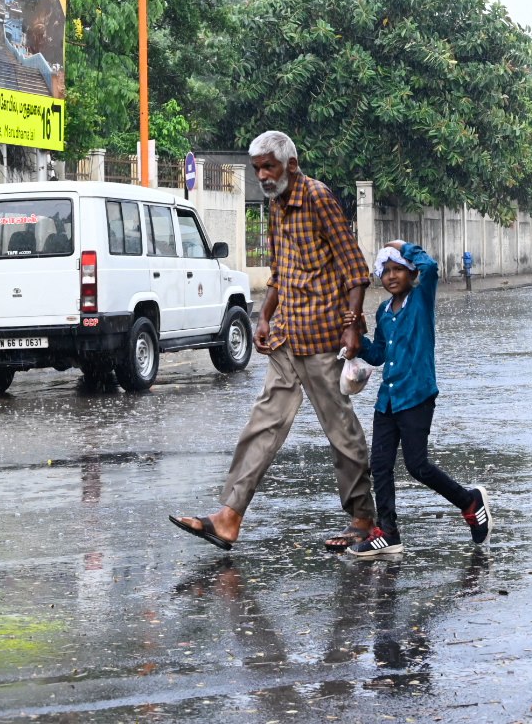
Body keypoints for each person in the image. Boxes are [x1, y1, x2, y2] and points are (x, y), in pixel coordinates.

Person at [170, 130, 377, 552]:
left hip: (322, 337)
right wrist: (263, 316)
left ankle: (363, 519)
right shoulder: (274, 205)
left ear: (291, 165)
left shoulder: (317, 198)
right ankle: (228, 518)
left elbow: (355, 269)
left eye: (269, 167)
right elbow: (281, 271)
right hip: (287, 336)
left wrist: (352, 325)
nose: (263, 176)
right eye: (258, 169)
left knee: (340, 430)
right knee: (261, 427)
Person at [344, 240, 494, 559]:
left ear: (411, 273)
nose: (392, 276)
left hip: (417, 396)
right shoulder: (384, 311)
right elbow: (381, 354)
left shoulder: (421, 300)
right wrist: (359, 343)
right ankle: (388, 533)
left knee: (417, 465)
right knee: (380, 466)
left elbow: (432, 267)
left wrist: (406, 247)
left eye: (399, 269)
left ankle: (469, 501)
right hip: (388, 400)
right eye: (386, 271)